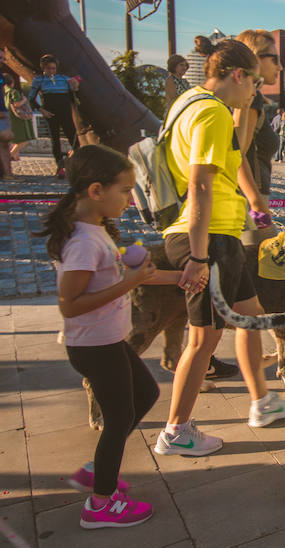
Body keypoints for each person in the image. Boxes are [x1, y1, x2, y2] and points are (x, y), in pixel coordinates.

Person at [154, 37, 285, 458]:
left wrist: (253, 202)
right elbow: (200, 184)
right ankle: (176, 430)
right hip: (208, 238)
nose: (256, 90)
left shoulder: (188, 104)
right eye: (254, 81)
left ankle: (262, 402)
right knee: (203, 340)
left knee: (252, 317)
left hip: (222, 234)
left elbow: (224, 169)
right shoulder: (213, 113)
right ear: (237, 75)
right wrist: (199, 257)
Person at [36, 145, 179, 528]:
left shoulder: (94, 231)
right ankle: (100, 504)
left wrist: (177, 277)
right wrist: (128, 283)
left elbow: (130, 276)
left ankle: (96, 469)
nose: (132, 199)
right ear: (96, 190)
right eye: (126, 189)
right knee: (119, 417)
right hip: (93, 346)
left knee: (145, 395)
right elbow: (70, 304)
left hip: (107, 342)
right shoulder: (83, 242)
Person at [233, 29, 283, 246]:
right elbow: (237, 152)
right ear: (254, 59)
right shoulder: (249, 98)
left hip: (247, 197)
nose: (280, 67)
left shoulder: (250, 97)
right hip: (247, 198)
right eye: (275, 59)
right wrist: (256, 203)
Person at [29, 54, 80, 178]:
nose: (51, 71)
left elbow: (73, 96)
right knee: (55, 141)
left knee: (74, 140)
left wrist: (75, 86)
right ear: (43, 68)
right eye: (48, 68)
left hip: (66, 113)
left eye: (53, 68)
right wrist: (42, 110)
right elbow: (31, 98)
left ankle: (73, 164)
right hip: (50, 114)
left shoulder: (64, 79)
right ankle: (59, 165)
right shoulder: (39, 80)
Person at [3, 72, 35, 163]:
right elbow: (17, 104)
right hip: (17, 119)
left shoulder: (4, 92)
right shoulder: (13, 92)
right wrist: (24, 99)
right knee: (25, 139)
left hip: (9, 118)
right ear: (12, 82)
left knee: (16, 139)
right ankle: (11, 154)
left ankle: (15, 156)